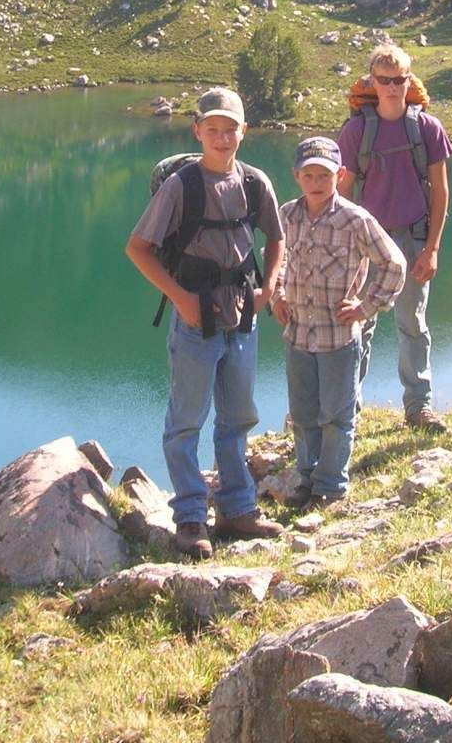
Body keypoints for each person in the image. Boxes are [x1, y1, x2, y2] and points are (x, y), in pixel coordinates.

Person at [126, 87, 286, 560]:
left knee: (238, 416)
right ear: (197, 130)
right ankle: (191, 517)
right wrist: (180, 298)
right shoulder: (183, 186)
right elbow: (138, 249)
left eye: (230, 129)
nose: (222, 137)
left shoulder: (256, 183)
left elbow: (276, 239)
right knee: (187, 420)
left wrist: (269, 289)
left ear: (243, 131)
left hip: (241, 314)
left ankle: (237, 510)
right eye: (212, 129)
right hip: (195, 317)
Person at [273, 136, 408, 508]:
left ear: (341, 175)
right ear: (297, 175)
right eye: (310, 174)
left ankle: (331, 485)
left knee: (336, 412)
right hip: (298, 331)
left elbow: (394, 264)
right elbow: (276, 260)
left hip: (339, 336)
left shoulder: (356, 219)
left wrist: (367, 307)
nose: (317, 182)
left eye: (325, 175)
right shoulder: (286, 215)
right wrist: (277, 294)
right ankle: (307, 477)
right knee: (303, 412)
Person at [336, 44, 452, 433]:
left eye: (398, 79)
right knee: (359, 324)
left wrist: (432, 248)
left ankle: (418, 407)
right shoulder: (355, 132)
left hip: (412, 239)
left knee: (413, 324)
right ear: (372, 81)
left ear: (409, 80)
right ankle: (347, 408)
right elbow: (343, 192)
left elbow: (440, 191)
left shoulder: (427, 128)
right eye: (383, 80)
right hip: (367, 244)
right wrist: (344, 248)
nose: (391, 87)